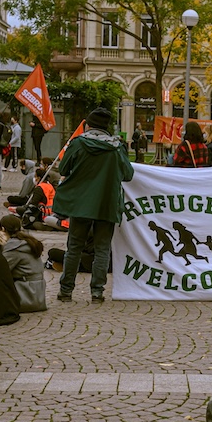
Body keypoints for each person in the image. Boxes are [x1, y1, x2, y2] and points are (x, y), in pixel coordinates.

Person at [54, 107, 134, 303]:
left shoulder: (78, 143)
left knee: (74, 248)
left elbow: (63, 168)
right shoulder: (117, 147)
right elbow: (128, 174)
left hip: (80, 203)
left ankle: (66, 291)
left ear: (88, 125)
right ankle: (97, 292)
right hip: (107, 203)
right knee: (102, 249)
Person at [0, 215, 46, 312]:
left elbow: (0, 270)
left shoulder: (13, 247)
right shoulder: (28, 242)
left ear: (3, 229)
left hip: (26, 295)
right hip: (38, 294)